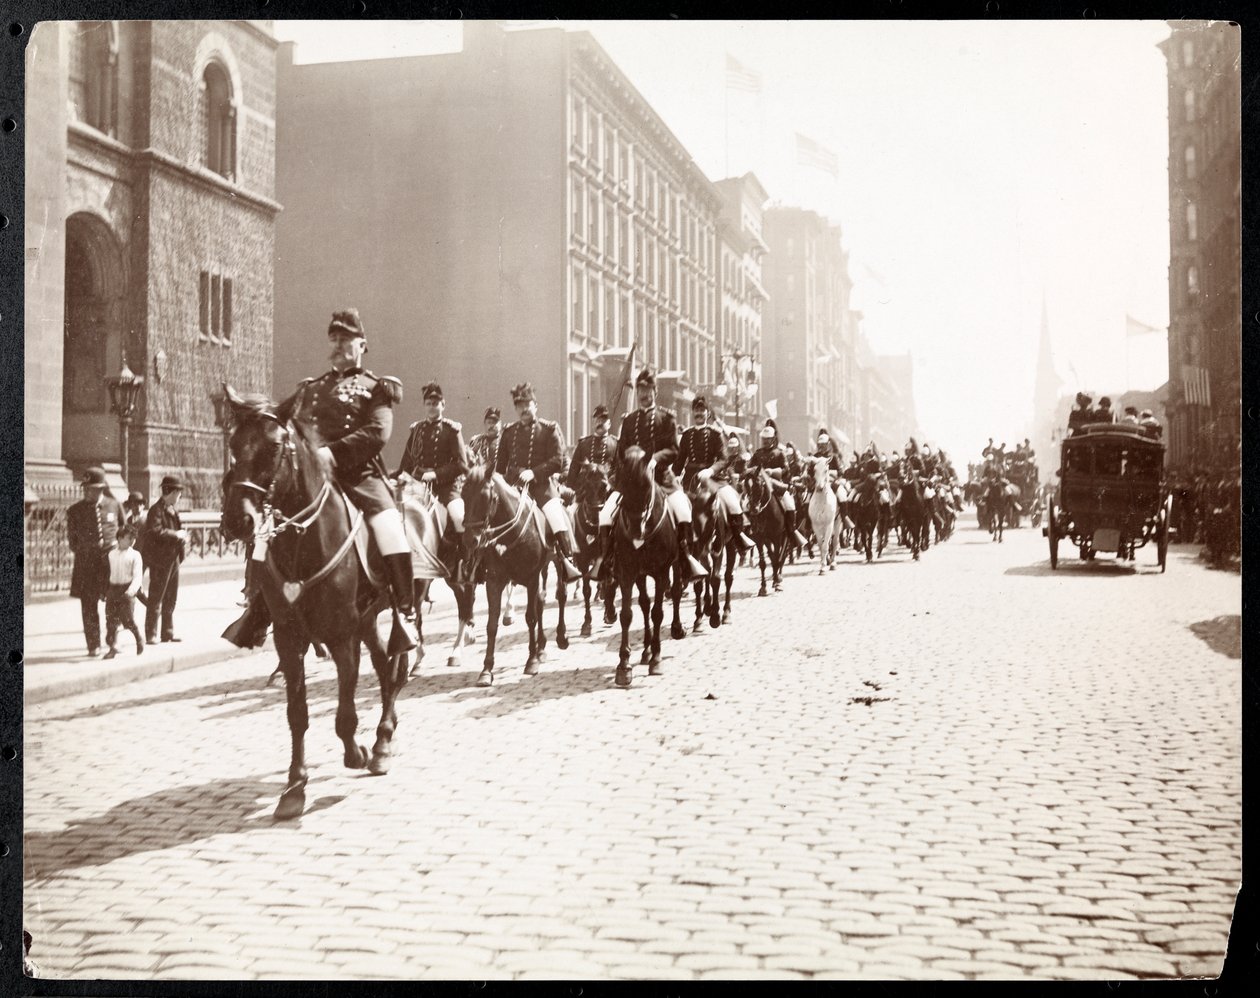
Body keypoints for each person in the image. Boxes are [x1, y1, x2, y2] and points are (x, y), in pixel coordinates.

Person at [223, 308, 417, 651]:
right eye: (335, 339)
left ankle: (406, 613)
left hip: (360, 477)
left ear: (362, 345)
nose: (339, 345)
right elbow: (280, 423)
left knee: (390, 527)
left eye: (347, 340)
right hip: (313, 481)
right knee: (269, 535)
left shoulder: (376, 388)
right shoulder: (311, 389)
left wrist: (335, 453)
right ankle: (257, 611)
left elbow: (378, 432)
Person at [593, 367, 706, 583]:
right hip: (632, 483)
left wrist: (654, 459)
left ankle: (686, 559)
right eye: (640, 391)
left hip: (661, 479)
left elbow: (673, 449)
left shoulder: (666, 418)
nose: (644, 395)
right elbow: (621, 451)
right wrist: (627, 468)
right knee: (606, 513)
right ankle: (606, 562)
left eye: (648, 390)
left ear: (655, 391)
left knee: (683, 509)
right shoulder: (629, 421)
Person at [495, 382, 582, 582]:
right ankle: (484, 564)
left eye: (528, 404)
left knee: (555, 514)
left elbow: (557, 461)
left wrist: (533, 473)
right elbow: (500, 467)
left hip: (542, 487)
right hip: (515, 488)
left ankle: (566, 560)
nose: (524, 409)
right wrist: (513, 474)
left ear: (536, 405)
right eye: (519, 405)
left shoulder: (549, 429)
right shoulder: (508, 433)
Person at [396, 381, 470, 580]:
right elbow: (407, 462)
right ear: (424, 405)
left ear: (443, 405)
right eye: (428, 403)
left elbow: (461, 465)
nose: (432, 407)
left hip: (447, 488)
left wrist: (437, 474)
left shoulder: (452, 430)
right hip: (418, 487)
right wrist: (402, 476)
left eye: (436, 403)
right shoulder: (417, 430)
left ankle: (464, 566)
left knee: (459, 517)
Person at [677, 396, 754, 551]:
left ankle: (738, 537)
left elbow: (724, 458)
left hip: (713, 478)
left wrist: (710, 470)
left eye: (702, 410)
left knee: (733, 502)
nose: (699, 413)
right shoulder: (686, 435)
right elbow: (679, 461)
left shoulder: (715, 433)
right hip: (690, 480)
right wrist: (673, 477)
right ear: (692, 412)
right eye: (696, 410)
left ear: (707, 413)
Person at [66, 466, 123, 656]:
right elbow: (72, 541)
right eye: (85, 488)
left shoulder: (114, 505)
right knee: (89, 604)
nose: (87, 492)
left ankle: (113, 640)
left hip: (110, 563)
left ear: (101, 488)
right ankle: (94, 645)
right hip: (87, 564)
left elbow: (124, 530)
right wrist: (88, 550)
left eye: (91, 488)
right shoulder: (75, 511)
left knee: (114, 601)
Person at [140, 475, 187, 645]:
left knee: (171, 597)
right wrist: (177, 535)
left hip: (173, 559)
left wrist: (181, 539)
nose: (179, 496)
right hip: (160, 560)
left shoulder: (172, 509)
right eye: (178, 492)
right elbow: (155, 531)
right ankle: (151, 634)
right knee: (156, 597)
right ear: (172, 492)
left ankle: (167, 632)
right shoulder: (156, 510)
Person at [748, 419, 807, 547]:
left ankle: (792, 533)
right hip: (760, 485)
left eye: (768, 439)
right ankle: (749, 529)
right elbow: (749, 467)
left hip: (777, 486)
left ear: (773, 439)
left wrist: (772, 471)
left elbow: (786, 470)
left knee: (790, 505)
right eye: (763, 438)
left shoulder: (780, 453)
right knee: (746, 504)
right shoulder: (757, 454)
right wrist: (753, 470)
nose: (765, 441)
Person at [103, 523, 145, 659]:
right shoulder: (111, 554)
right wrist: (105, 591)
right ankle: (112, 648)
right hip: (113, 589)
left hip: (127, 590)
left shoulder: (135, 555)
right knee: (111, 621)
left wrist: (131, 591)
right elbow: (106, 574)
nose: (132, 541)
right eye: (129, 538)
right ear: (120, 539)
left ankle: (139, 638)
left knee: (128, 620)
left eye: (134, 538)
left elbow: (138, 576)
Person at [567, 403, 619, 486]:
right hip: (586, 488)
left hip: (607, 488)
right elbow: (574, 470)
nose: (599, 423)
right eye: (597, 420)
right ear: (592, 423)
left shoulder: (615, 444)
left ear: (609, 424)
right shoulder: (583, 444)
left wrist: (610, 484)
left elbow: (618, 470)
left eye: (603, 420)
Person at [467, 406, 504, 470]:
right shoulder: (476, 440)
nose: (491, 425)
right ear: (484, 424)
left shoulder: (506, 441)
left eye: (494, 422)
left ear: (500, 424)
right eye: (489, 422)